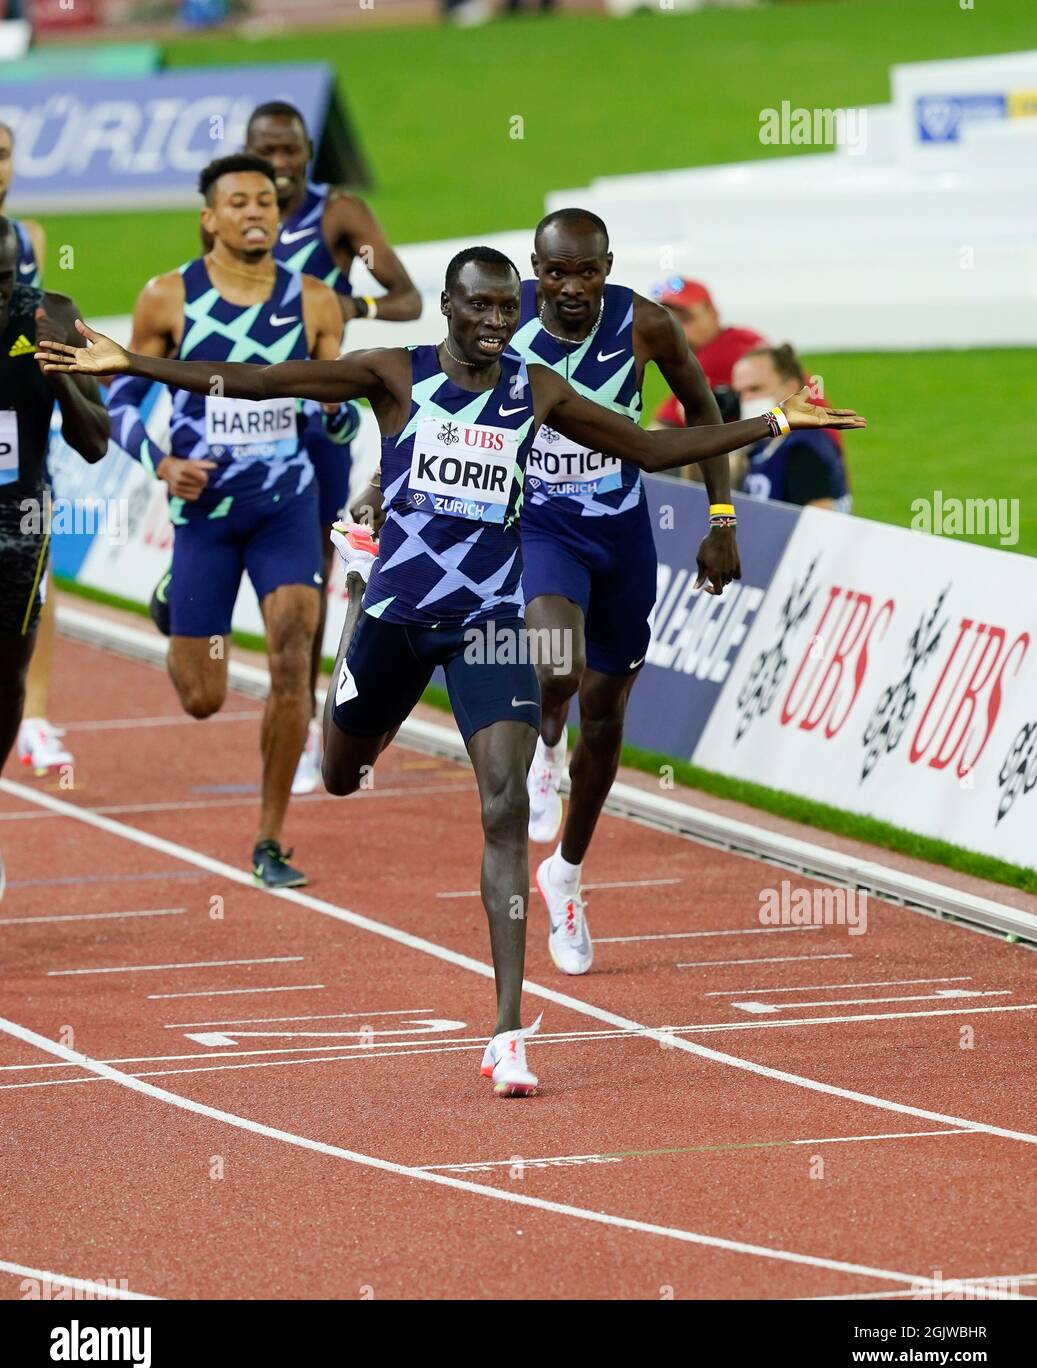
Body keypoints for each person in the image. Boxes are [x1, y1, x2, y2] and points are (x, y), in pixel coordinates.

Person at [37, 246, 866, 1096]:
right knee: (343, 772)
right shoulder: (392, 374)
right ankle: (355, 620)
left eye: (509, 308)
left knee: (504, 807)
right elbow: (263, 380)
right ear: (448, 307)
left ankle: (508, 1031)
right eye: (481, 308)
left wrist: (774, 423)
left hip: (487, 625)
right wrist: (133, 361)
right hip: (394, 621)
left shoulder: (535, 390)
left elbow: (649, 449)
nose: (497, 322)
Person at [103, 153, 349, 889]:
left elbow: (336, 424)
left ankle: (269, 838)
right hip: (203, 513)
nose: (255, 213)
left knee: (293, 650)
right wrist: (157, 460)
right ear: (209, 217)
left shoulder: (314, 301)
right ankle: (176, 591)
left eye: (267, 203)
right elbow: (118, 397)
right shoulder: (167, 297)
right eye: (237, 202)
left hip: (285, 508)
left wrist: (333, 416)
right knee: (203, 698)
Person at [510, 209, 736, 975]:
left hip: (619, 535)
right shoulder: (501, 327)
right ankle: (544, 744)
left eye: (586, 272)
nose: (571, 288)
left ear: (607, 267)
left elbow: (703, 412)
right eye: (555, 272)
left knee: (604, 721)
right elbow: (439, 412)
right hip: (541, 526)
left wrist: (721, 518)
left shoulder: (645, 324)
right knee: (555, 669)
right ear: (532, 269)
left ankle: (565, 874)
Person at [243, 101, 422, 795]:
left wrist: (350, 305)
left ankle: (313, 712)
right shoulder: (235, 211)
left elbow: (405, 297)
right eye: (267, 151)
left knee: (311, 571)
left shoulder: (336, 215)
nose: (280, 165)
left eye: (291, 151)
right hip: (245, 416)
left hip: (316, 416)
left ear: (309, 151)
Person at [0, 218, 108, 773]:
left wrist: (61, 378)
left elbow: (94, 442)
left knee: (11, 662)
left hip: (20, 504)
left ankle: (32, 724)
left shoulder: (45, 301)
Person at [1, 120, 78, 773]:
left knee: (36, 581)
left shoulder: (30, 238)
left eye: (1, 155)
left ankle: (35, 715)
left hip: (21, 441)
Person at [732, 343, 851, 511]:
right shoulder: (764, 444)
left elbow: (819, 525)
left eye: (755, 389)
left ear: (791, 389)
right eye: (740, 393)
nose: (746, 400)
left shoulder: (803, 450)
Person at [652, 277, 765, 427]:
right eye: (670, 320)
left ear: (713, 314)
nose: (676, 328)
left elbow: (664, 424)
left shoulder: (720, 354)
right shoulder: (743, 337)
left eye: (686, 318)